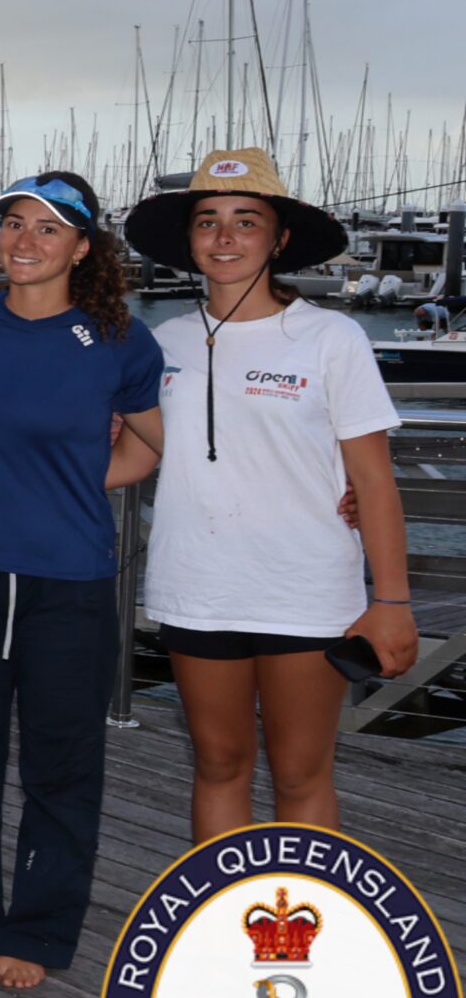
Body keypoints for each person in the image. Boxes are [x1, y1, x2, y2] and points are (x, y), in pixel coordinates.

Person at [121, 149, 413, 840]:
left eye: (246, 220)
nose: (225, 236)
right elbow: (135, 455)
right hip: (196, 587)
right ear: (189, 240)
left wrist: (393, 603)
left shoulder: (333, 337)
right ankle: (223, 910)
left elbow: (374, 479)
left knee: (300, 774)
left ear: (278, 240)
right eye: (208, 221)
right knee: (219, 764)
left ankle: (304, 912)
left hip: (305, 592)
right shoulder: (161, 342)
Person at [0, 173, 164, 991]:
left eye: (49, 228)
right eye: (15, 223)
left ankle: (38, 928)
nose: (25, 240)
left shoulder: (121, 339)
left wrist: (68, 484)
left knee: (61, 768)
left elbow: (147, 446)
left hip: (68, 581)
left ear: (83, 247)